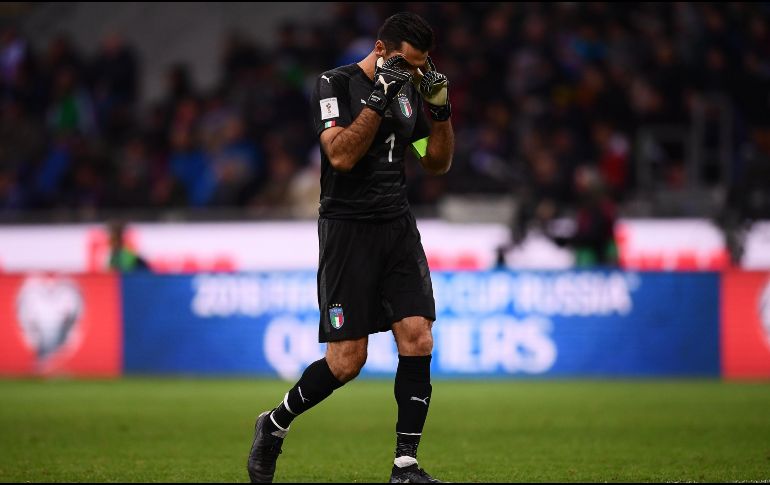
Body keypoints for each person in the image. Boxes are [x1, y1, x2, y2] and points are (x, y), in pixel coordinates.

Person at [247, 12, 453, 484]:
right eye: (408, 63)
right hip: (347, 230)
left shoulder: (409, 92)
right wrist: (379, 98)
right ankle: (274, 423)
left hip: (396, 226)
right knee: (347, 361)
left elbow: (436, 162)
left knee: (418, 336)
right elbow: (340, 155)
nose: (416, 73)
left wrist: (440, 113)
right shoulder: (334, 84)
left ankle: (405, 467)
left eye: (422, 66)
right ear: (380, 50)